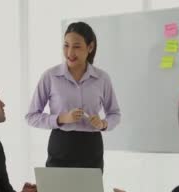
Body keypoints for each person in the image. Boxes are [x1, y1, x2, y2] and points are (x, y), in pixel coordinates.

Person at [26, 21, 121, 170]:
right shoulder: (50, 76)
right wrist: (61, 118)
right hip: (61, 145)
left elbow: (115, 114)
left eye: (76, 46)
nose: (70, 52)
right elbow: (31, 116)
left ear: (90, 47)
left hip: (92, 147)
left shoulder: (102, 78)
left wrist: (103, 124)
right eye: (66, 45)